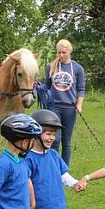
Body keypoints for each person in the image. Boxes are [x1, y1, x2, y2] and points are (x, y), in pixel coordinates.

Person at [26, 109, 82, 209]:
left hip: (57, 207)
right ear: (36, 133)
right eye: (48, 134)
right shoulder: (28, 158)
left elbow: (63, 174)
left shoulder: (54, 155)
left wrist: (75, 183)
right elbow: (25, 183)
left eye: (54, 134)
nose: (52, 138)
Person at [43, 39, 86, 167]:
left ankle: (64, 169)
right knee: (55, 139)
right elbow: (47, 84)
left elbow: (81, 88)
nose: (61, 55)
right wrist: (38, 87)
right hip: (54, 107)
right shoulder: (51, 67)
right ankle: (54, 166)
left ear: (69, 52)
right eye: (58, 53)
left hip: (69, 108)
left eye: (63, 52)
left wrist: (79, 104)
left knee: (66, 141)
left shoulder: (78, 68)